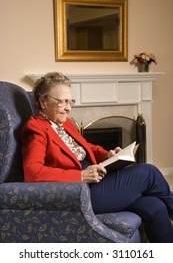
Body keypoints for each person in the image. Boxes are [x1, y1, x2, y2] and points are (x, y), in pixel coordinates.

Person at [21, 72, 173, 243]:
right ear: (43, 101)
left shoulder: (64, 123)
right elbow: (33, 173)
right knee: (149, 172)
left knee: (155, 206)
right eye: (62, 102)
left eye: (70, 102)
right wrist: (81, 176)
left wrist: (107, 154)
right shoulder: (35, 129)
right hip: (81, 193)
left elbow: (86, 147)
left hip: (97, 181)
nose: (68, 108)